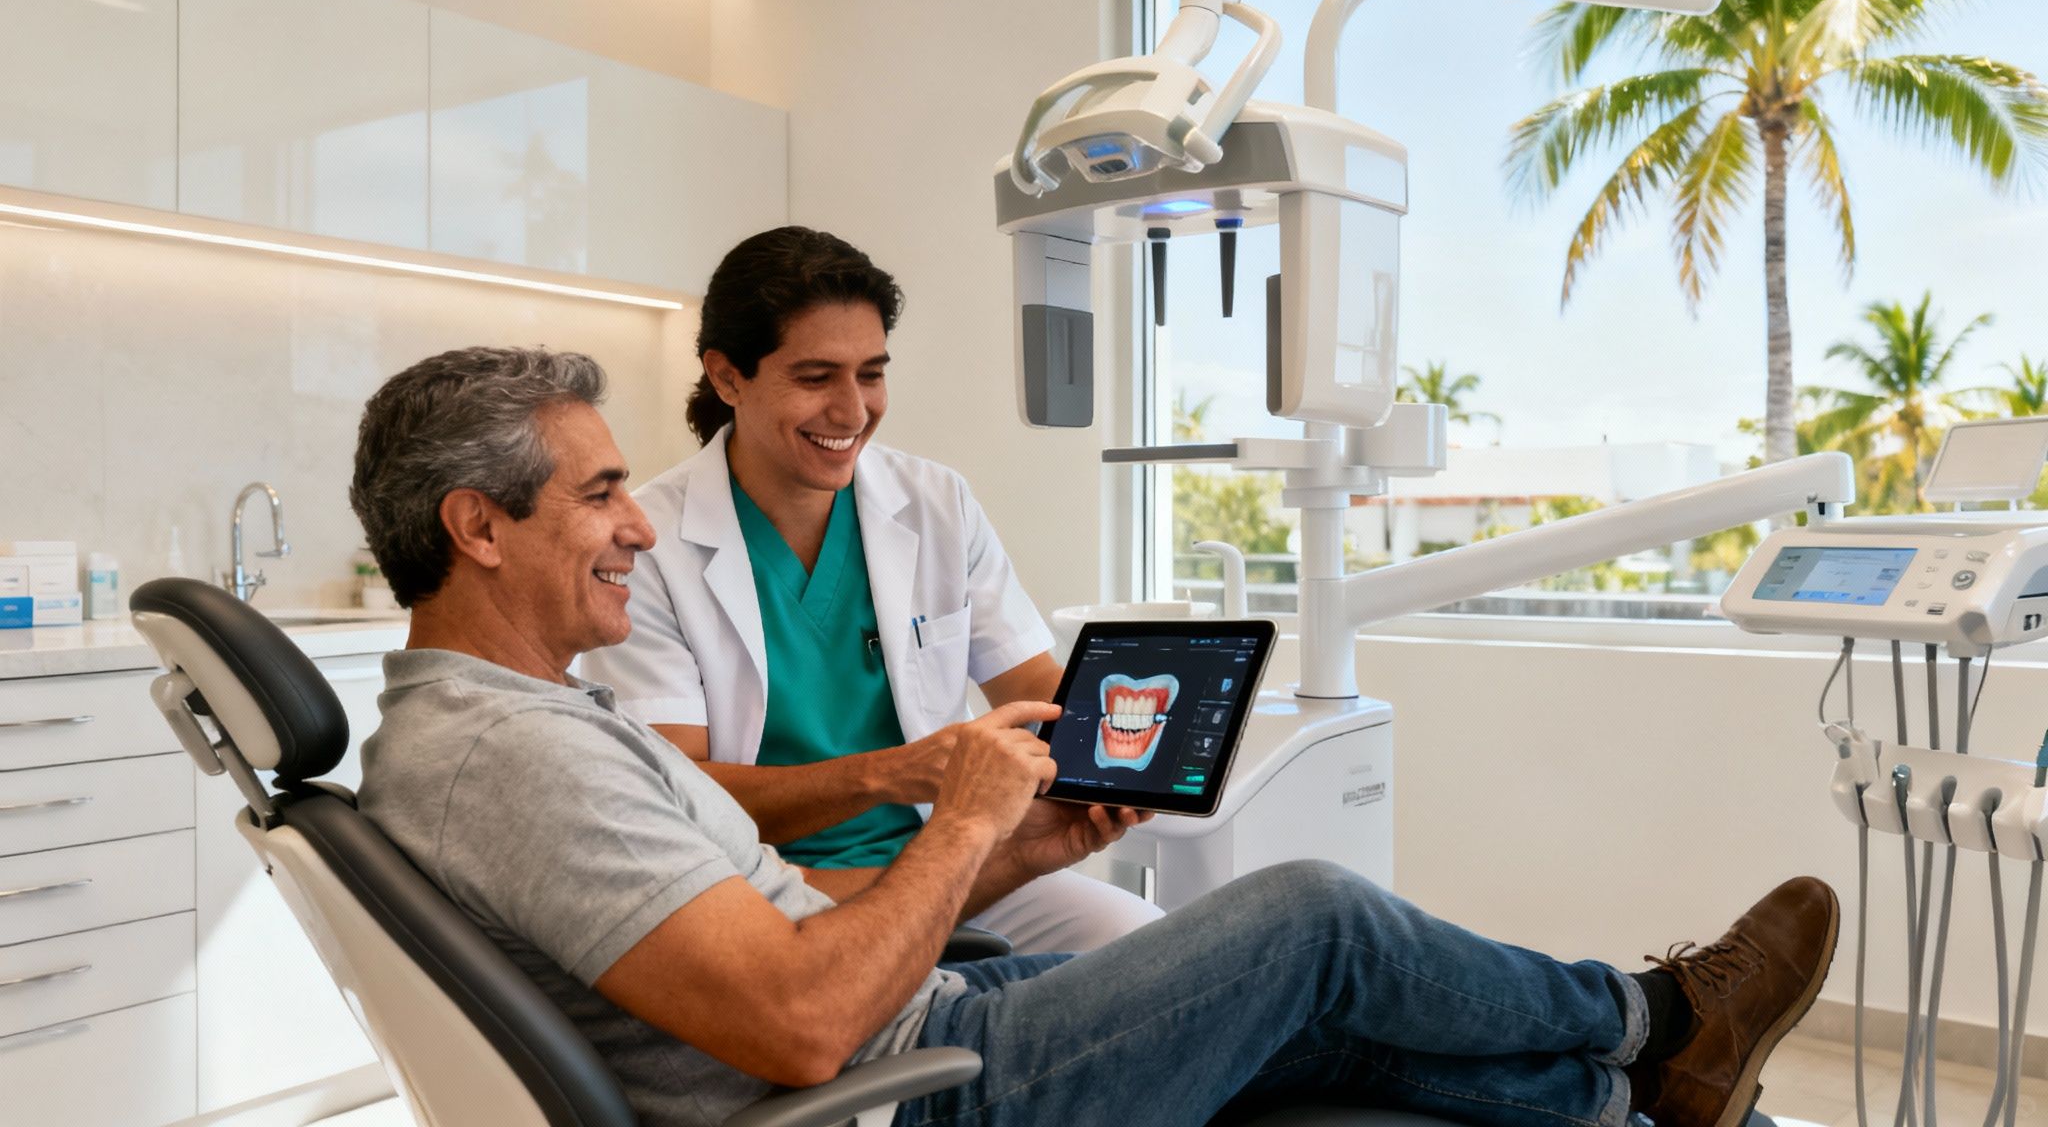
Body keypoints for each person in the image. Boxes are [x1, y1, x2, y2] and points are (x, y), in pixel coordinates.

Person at [352, 347, 1840, 1127]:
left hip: (903, 1030)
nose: (635, 527)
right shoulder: (511, 756)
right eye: (599, 497)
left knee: (1320, 1017)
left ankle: (1630, 1092)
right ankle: (1654, 1022)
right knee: (1315, 923)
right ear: (477, 528)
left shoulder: (502, 724)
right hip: (912, 1096)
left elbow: (791, 951)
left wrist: (1007, 848)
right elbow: (805, 1026)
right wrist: (953, 815)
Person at [580, 226, 1161, 953]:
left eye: (871, 373)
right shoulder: (648, 543)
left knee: (1151, 945)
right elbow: (681, 797)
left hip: (954, 862)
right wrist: (893, 774)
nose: (853, 412)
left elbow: (1038, 687)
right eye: (816, 378)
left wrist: (1115, 766)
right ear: (729, 377)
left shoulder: (935, 502)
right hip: (767, 887)